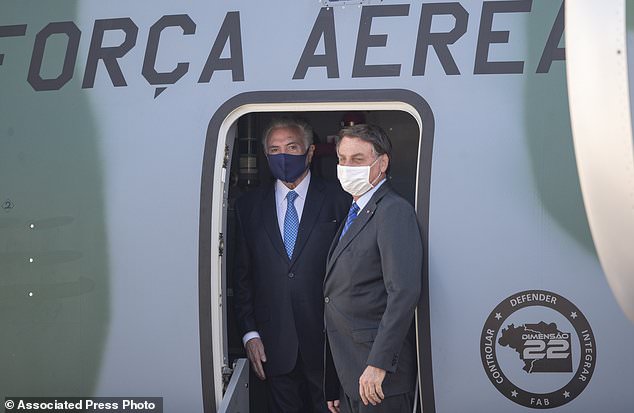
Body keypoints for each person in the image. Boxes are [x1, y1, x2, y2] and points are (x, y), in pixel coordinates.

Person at [233, 117, 351, 413]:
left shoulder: (340, 199)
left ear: (309, 152)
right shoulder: (248, 207)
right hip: (273, 347)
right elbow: (243, 276)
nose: (282, 155)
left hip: (327, 347)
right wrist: (250, 333)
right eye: (274, 149)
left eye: (291, 146)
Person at [324, 124, 422, 413]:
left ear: (382, 163)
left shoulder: (392, 211)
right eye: (342, 159)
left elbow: (403, 292)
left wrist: (378, 363)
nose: (347, 167)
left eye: (357, 159)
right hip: (351, 369)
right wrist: (335, 382)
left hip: (378, 376)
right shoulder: (357, 211)